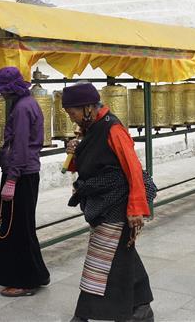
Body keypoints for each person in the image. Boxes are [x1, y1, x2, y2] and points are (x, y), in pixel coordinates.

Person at [61, 83, 155, 322]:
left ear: (88, 107)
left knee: (100, 256)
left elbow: (133, 169)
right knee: (122, 252)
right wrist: (73, 152)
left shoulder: (113, 128)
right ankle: (142, 307)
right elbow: (92, 162)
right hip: (100, 199)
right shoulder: (90, 128)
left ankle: (84, 314)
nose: (71, 117)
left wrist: (136, 208)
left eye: (73, 112)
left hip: (117, 200)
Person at [0, 66, 50, 296]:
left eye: (3, 90)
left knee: (18, 228)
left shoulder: (23, 109)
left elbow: (20, 145)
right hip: (24, 171)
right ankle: (36, 273)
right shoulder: (26, 103)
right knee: (19, 225)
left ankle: (24, 280)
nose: (1, 94)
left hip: (21, 173)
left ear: (11, 89)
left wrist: (12, 178)